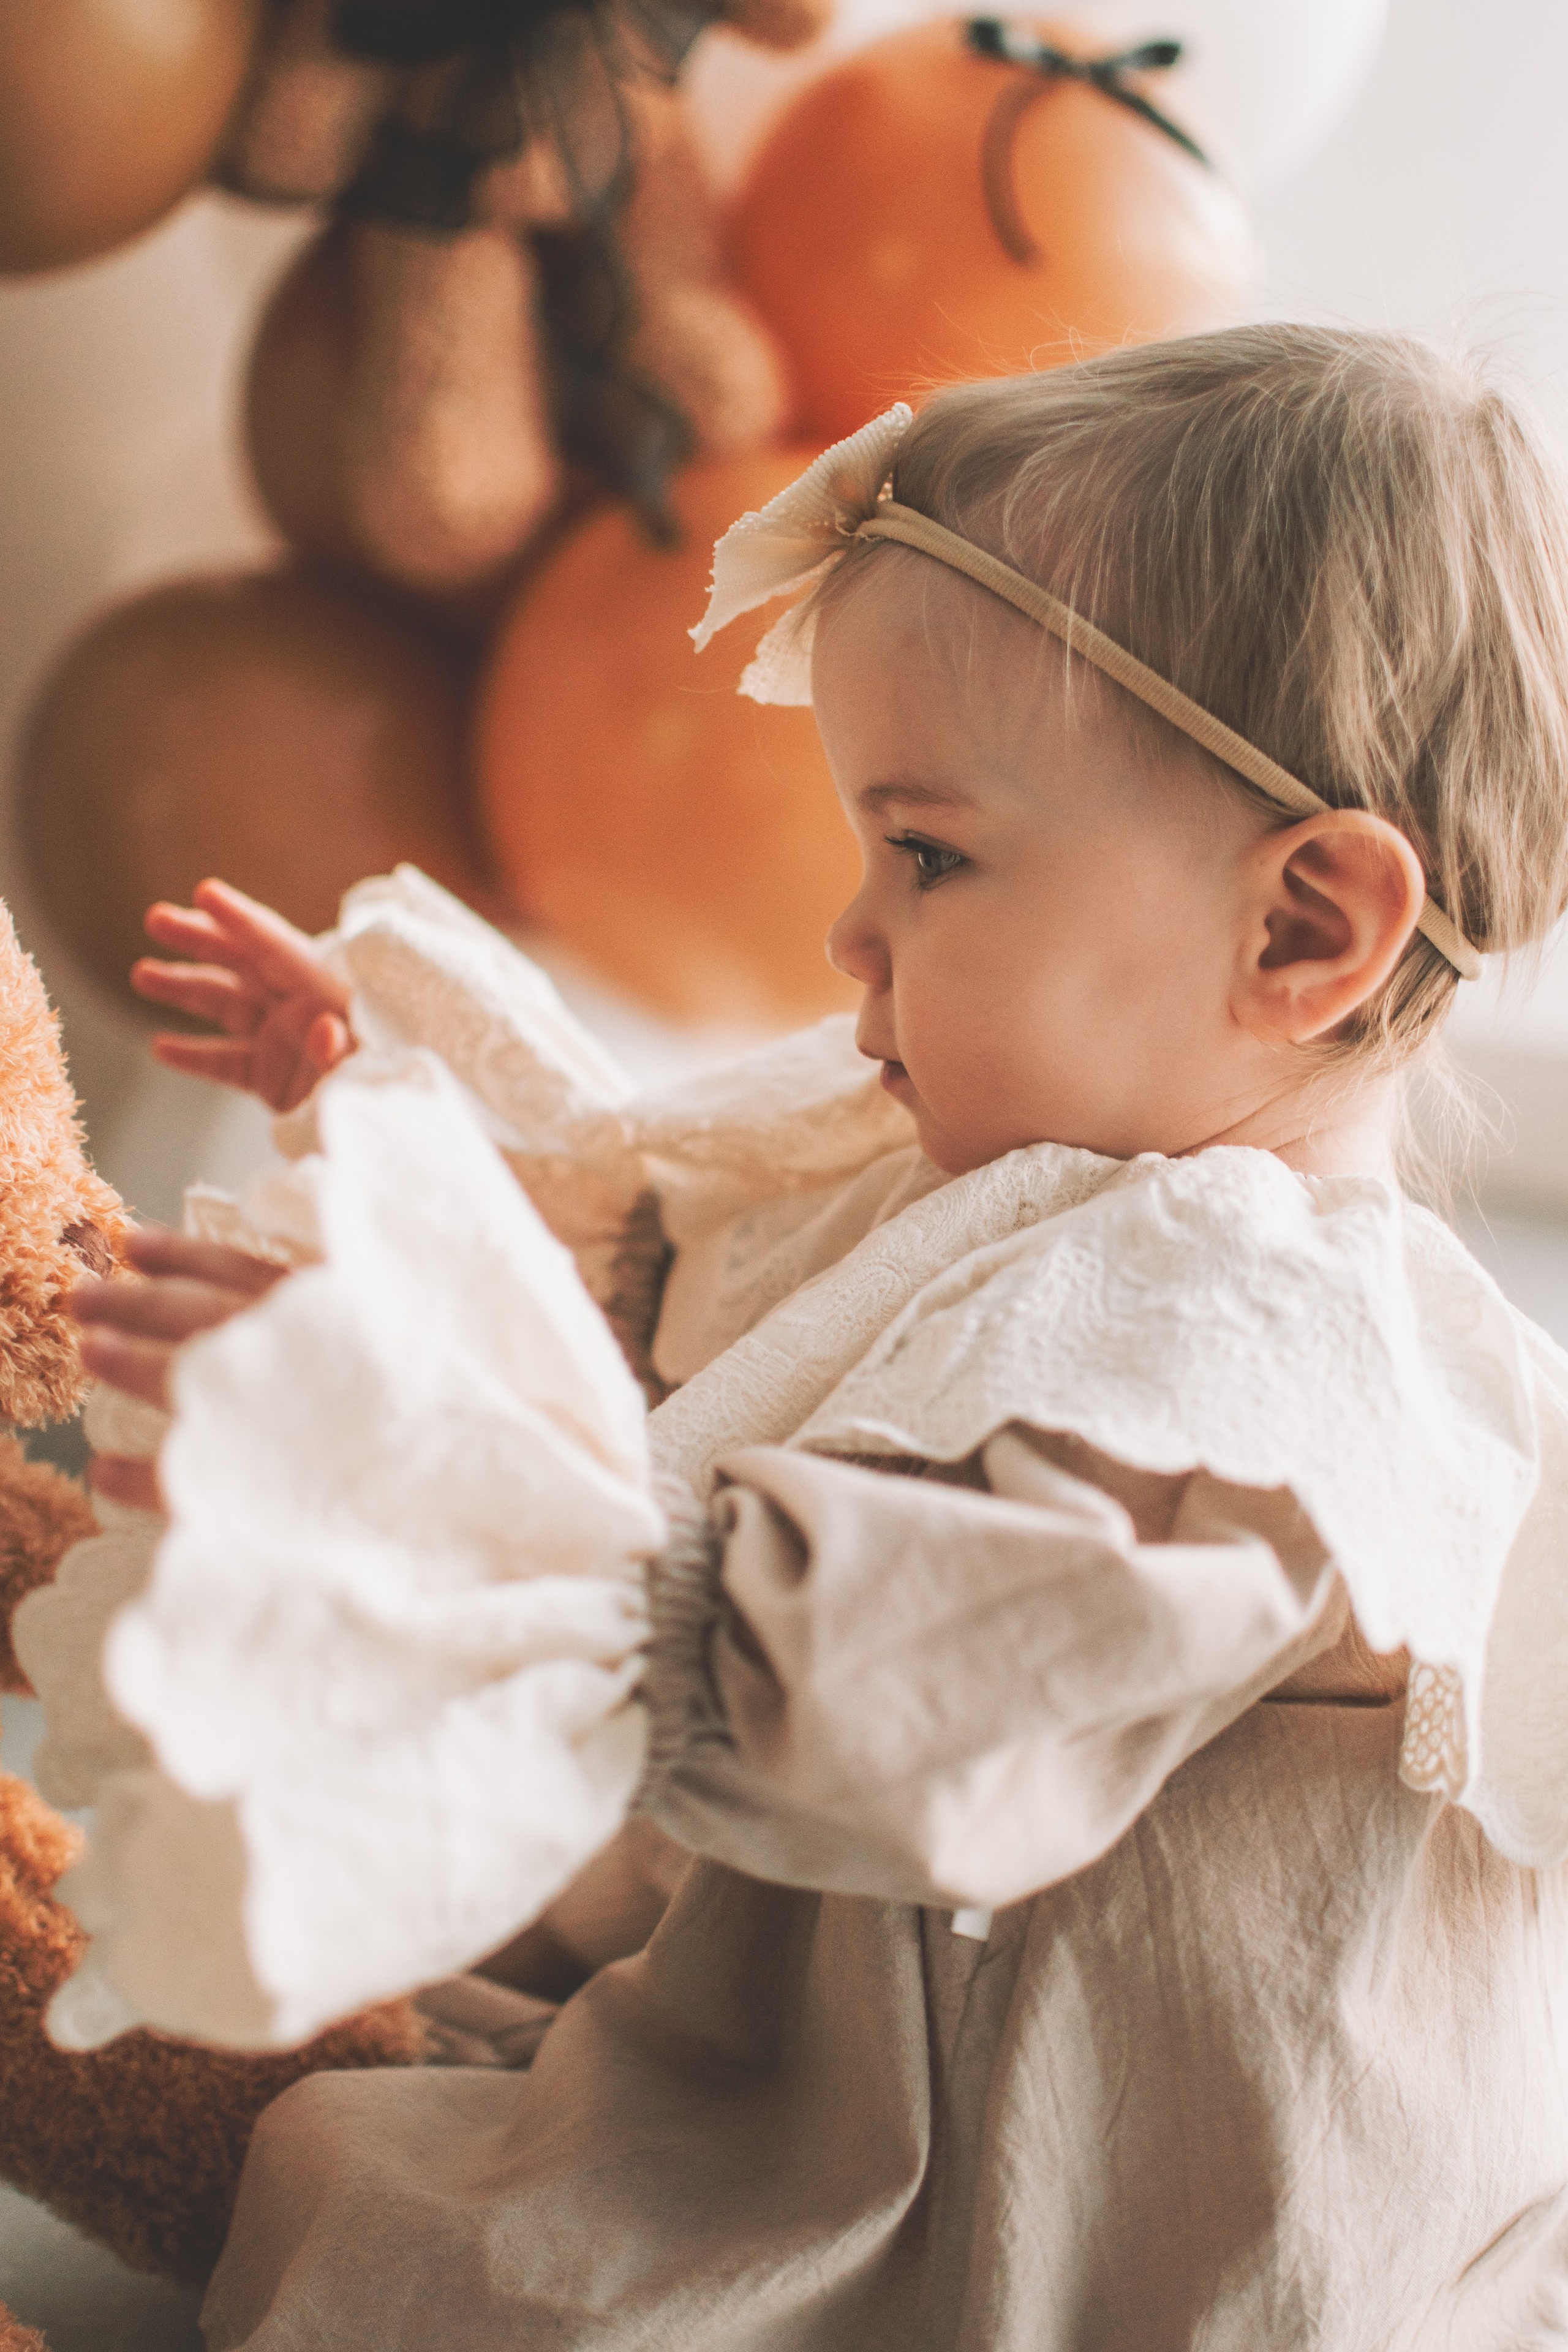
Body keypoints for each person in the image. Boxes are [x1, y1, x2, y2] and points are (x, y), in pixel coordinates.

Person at [61, 326, 1568, 2348]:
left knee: (470, 2259)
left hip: (1049, 2189)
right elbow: (684, 1306)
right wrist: (394, 1120)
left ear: (1301, 929)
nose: (853, 935)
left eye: (929, 855)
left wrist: (526, 1535)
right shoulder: (1012, 1169)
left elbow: (967, 1678)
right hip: (843, 1975)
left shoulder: (1284, 1359)